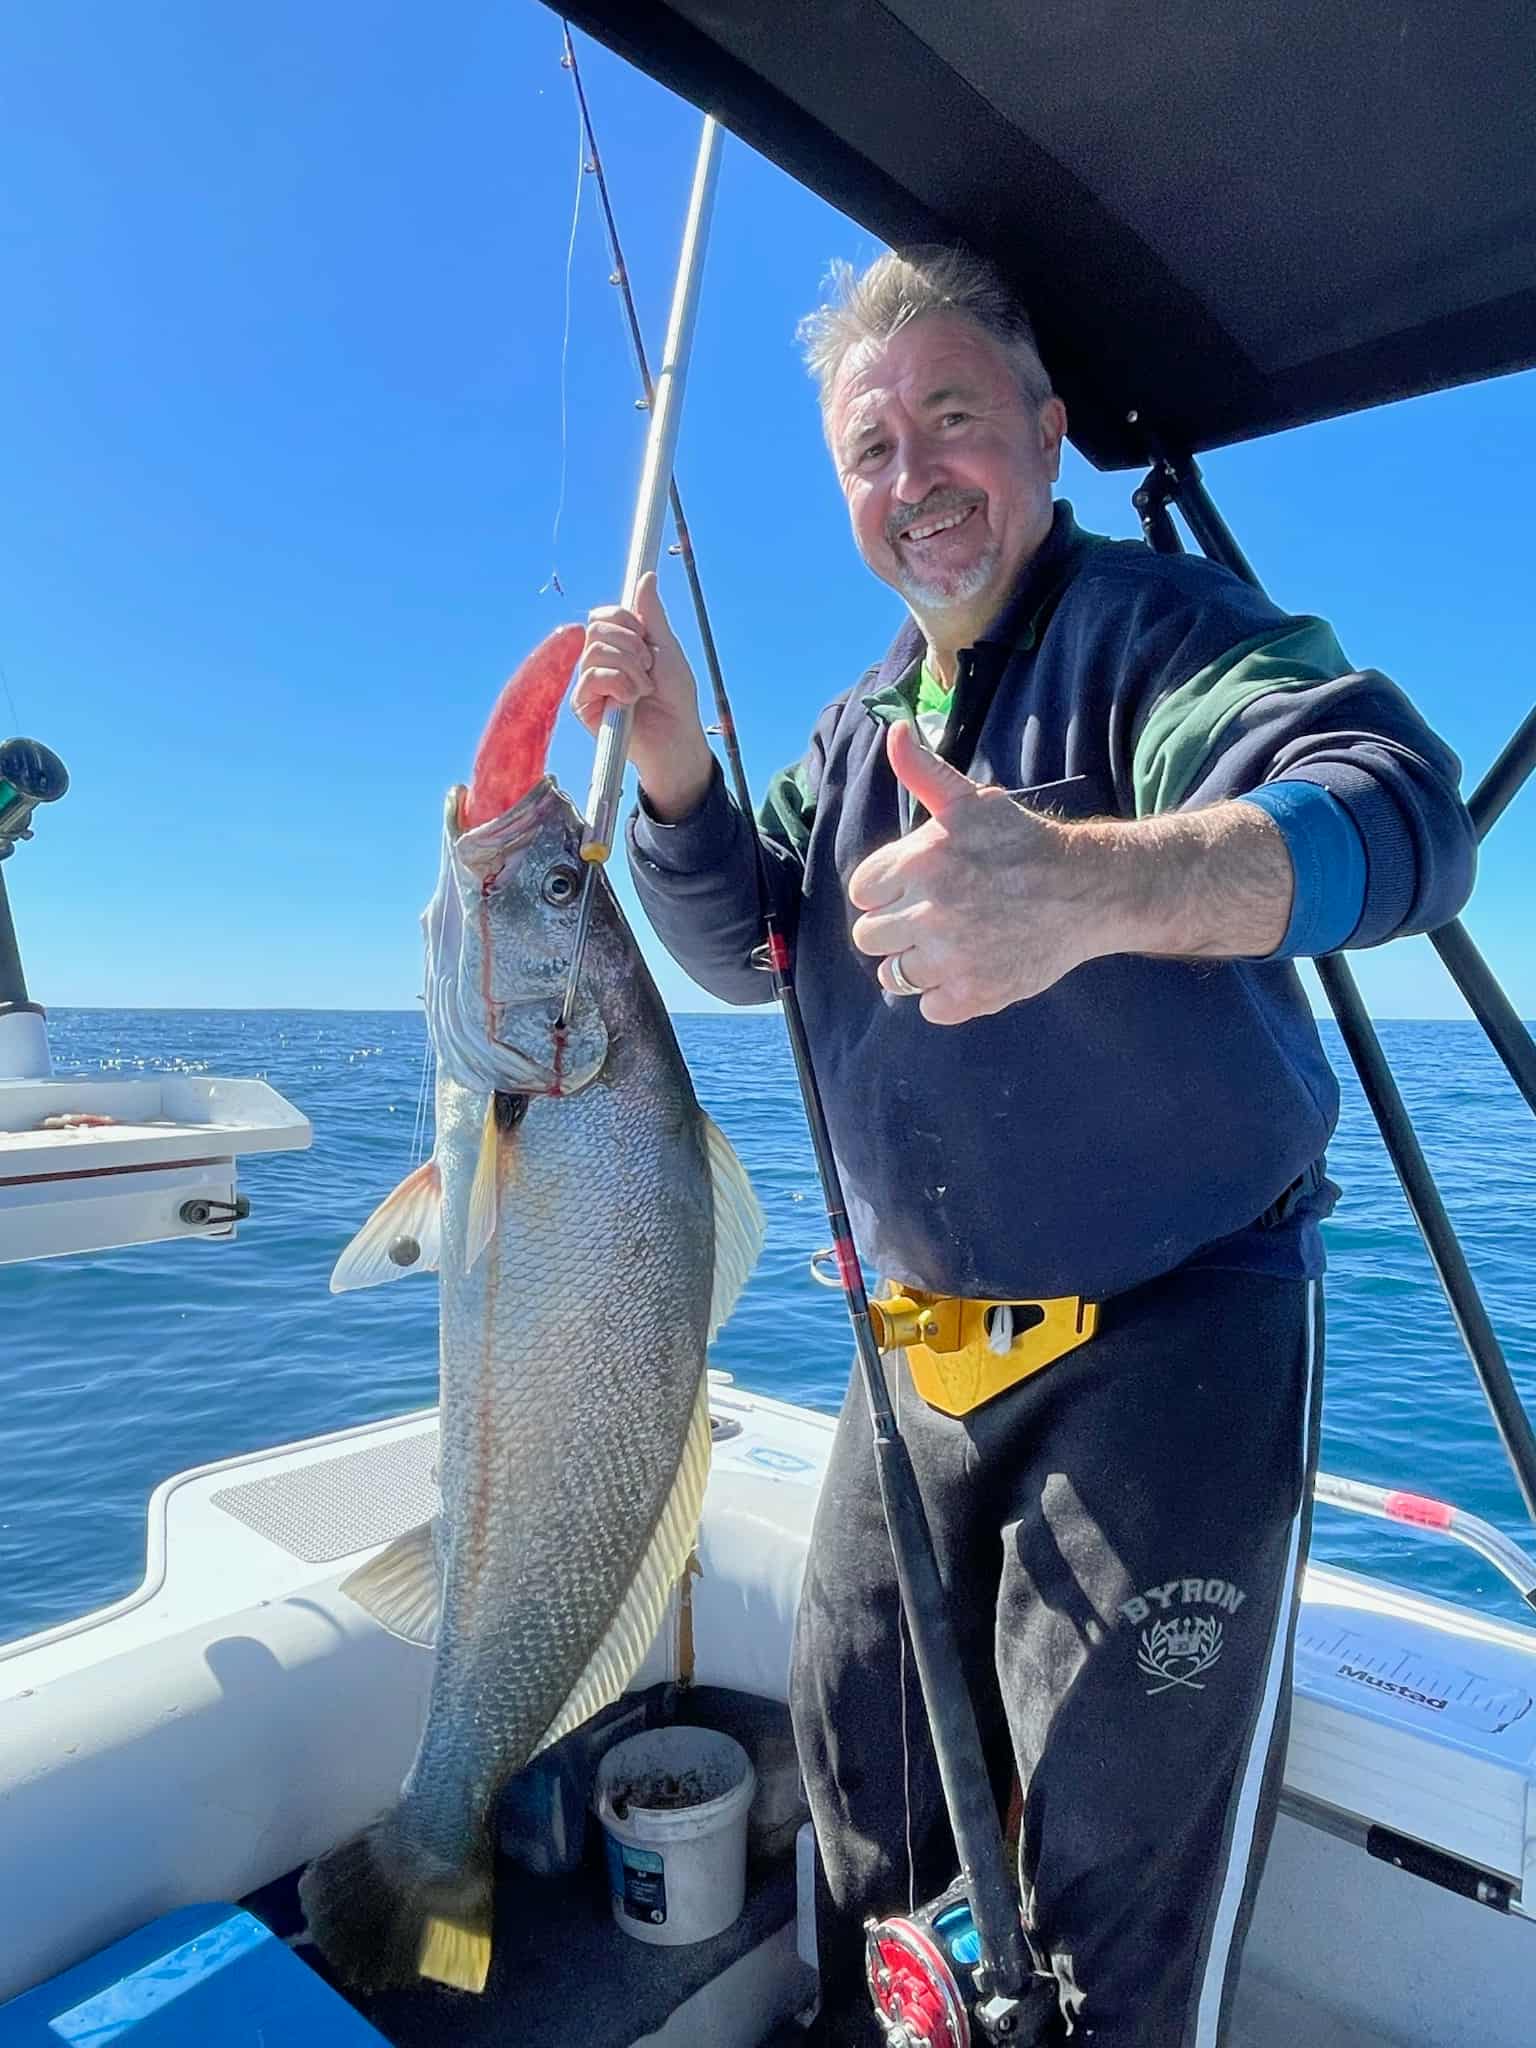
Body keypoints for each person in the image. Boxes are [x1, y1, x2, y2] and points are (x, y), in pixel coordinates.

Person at [572, 248, 1475, 2046]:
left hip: (1172, 1345)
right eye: (870, 449)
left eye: (953, 419)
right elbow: (750, 946)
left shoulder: (1168, 634)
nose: (913, 477)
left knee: (1105, 1903)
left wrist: (1089, 886)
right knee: (866, 1796)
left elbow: (1396, 806)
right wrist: (673, 772)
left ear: (1048, 437)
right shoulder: (852, 732)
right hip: (911, 1354)